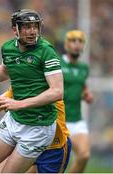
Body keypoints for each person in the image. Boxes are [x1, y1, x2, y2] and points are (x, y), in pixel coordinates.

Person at [0, 9, 64, 173]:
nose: (32, 31)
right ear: (15, 30)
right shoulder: (8, 48)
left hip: (38, 128)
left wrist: (19, 104)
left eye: (35, 26)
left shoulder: (47, 52)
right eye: (27, 27)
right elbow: (5, 70)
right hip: (13, 121)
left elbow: (57, 92)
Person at [0, 86, 71, 173]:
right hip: (25, 141)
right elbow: (0, 102)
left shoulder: (50, 86)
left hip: (53, 149)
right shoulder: (24, 81)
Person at [61, 30, 94, 173]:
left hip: (76, 119)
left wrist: (86, 94)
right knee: (47, 163)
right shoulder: (57, 63)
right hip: (58, 119)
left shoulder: (84, 68)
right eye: (73, 41)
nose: (77, 45)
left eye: (80, 42)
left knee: (84, 155)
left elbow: (82, 85)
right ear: (67, 44)